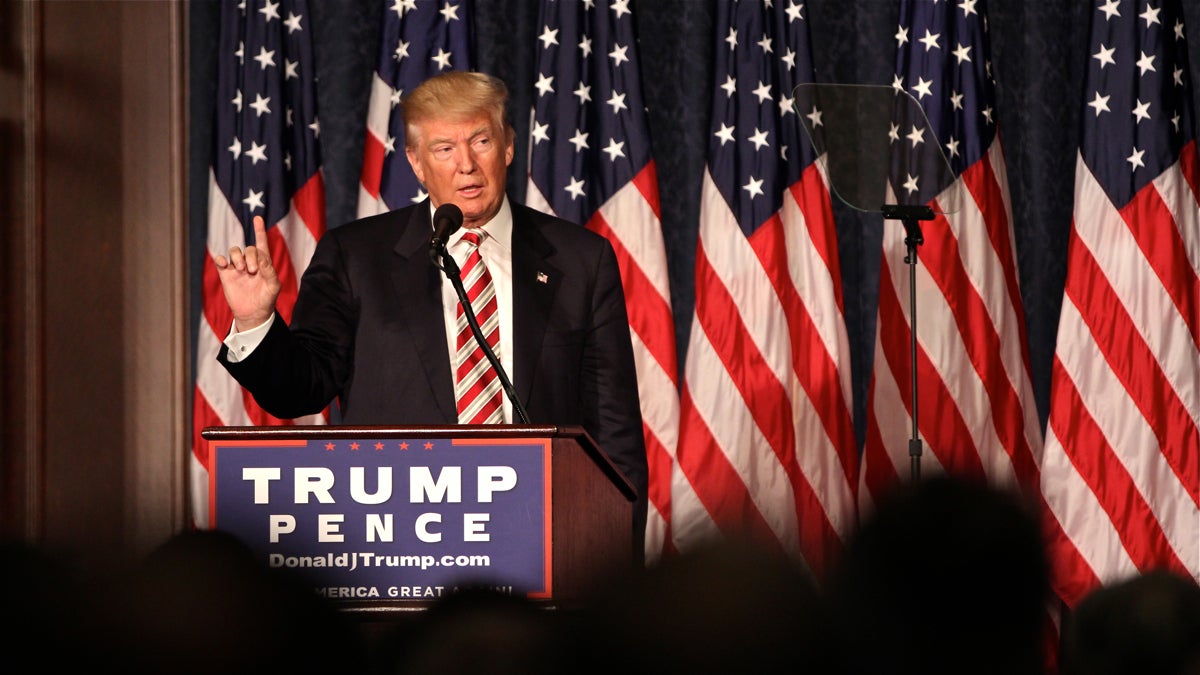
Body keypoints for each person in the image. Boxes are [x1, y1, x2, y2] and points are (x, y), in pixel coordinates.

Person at [213, 70, 647, 547]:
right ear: (417, 163)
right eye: (444, 149)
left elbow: (614, 430)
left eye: (481, 141)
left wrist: (612, 566)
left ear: (507, 147)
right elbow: (301, 390)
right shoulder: (356, 256)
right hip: (399, 539)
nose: (466, 165)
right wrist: (256, 321)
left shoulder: (580, 259)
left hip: (541, 534)